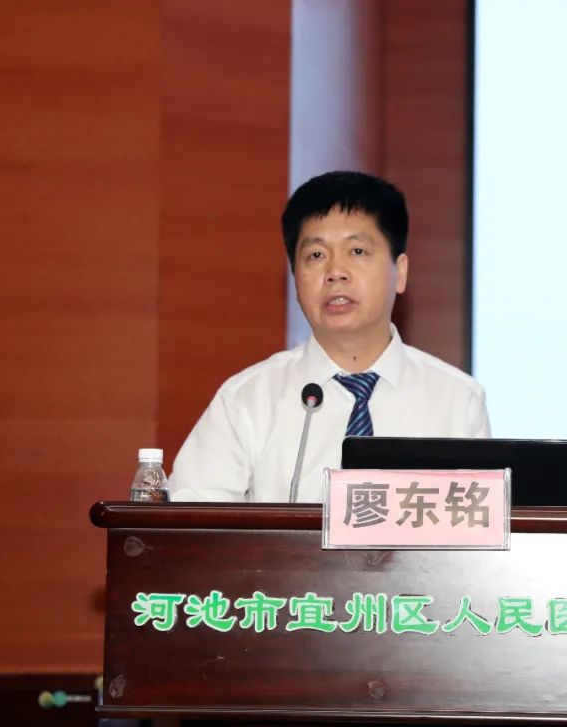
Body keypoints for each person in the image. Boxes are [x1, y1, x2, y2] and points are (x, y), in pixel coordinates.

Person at [168, 171, 490, 502]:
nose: (336, 272)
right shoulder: (247, 400)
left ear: (401, 272)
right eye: (316, 255)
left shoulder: (457, 401)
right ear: (295, 278)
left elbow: (482, 525)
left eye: (358, 251)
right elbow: (189, 522)